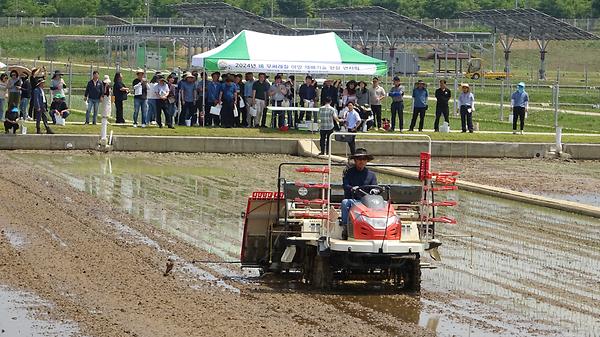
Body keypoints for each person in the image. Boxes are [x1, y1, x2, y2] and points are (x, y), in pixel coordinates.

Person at [340, 148, 378, 225]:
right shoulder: (349, 173)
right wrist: (352, 188)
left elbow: (375, 187)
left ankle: (378, 224)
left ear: (367, 161)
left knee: (384, 203)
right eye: (359, 159)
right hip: (353, 200)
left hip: (368, 202)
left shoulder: (372, 175)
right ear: (355, 160)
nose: (362, 161)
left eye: (364, 159)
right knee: (344, 203)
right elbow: (345, 186)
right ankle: (345, 225)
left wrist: (375, 190)